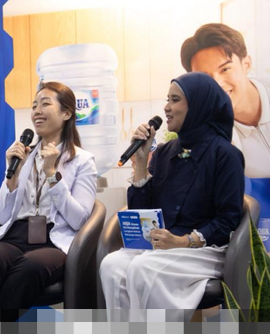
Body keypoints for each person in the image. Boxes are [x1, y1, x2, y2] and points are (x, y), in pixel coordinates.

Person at [99, 72, 245, 318]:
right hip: (164, 247)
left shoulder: (225, 155)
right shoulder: (164, 152)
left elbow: (227, 220)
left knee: (144, 267)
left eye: (175, 100)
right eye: (167, 99)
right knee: (112, 265)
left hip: (204, 249)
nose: (166, 107)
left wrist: (184, 241)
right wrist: (141, 162)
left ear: (198, 106)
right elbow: (141, 213)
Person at [0, 81, 98, 310]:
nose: (37, 111)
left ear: (66, 113)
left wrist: (52, 175)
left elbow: (79, 220)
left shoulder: (82, 160)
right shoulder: (22, 157)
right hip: (15, 235)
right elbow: (0, 215)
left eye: (45, 104)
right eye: (34, 106)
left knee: (29, 267)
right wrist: (12, 176)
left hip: (54, 241)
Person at [181, 23, 270, 276]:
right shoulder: (205, 133)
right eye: (205, 78)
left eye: (225, 69)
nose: (217, 83)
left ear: (246, 63)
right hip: (262, 230)